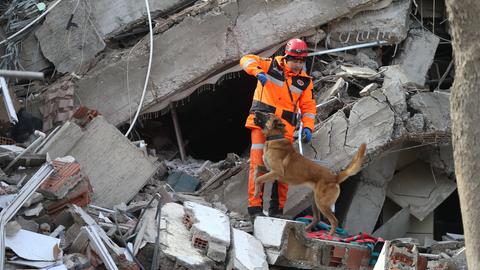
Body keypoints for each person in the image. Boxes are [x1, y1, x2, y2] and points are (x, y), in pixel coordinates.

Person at [239, 38, 317, 219]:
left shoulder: (305, 82)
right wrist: (256, 72)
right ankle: (255, 208)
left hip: (284, 130)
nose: (298, 65)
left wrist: (308, 127)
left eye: (301, 61)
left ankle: (277, 210)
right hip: (262, 124)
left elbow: (308, 107)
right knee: (258, 165)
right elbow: (246, 59)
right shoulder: (270, 65)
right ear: (286, 57)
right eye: (295, 61)